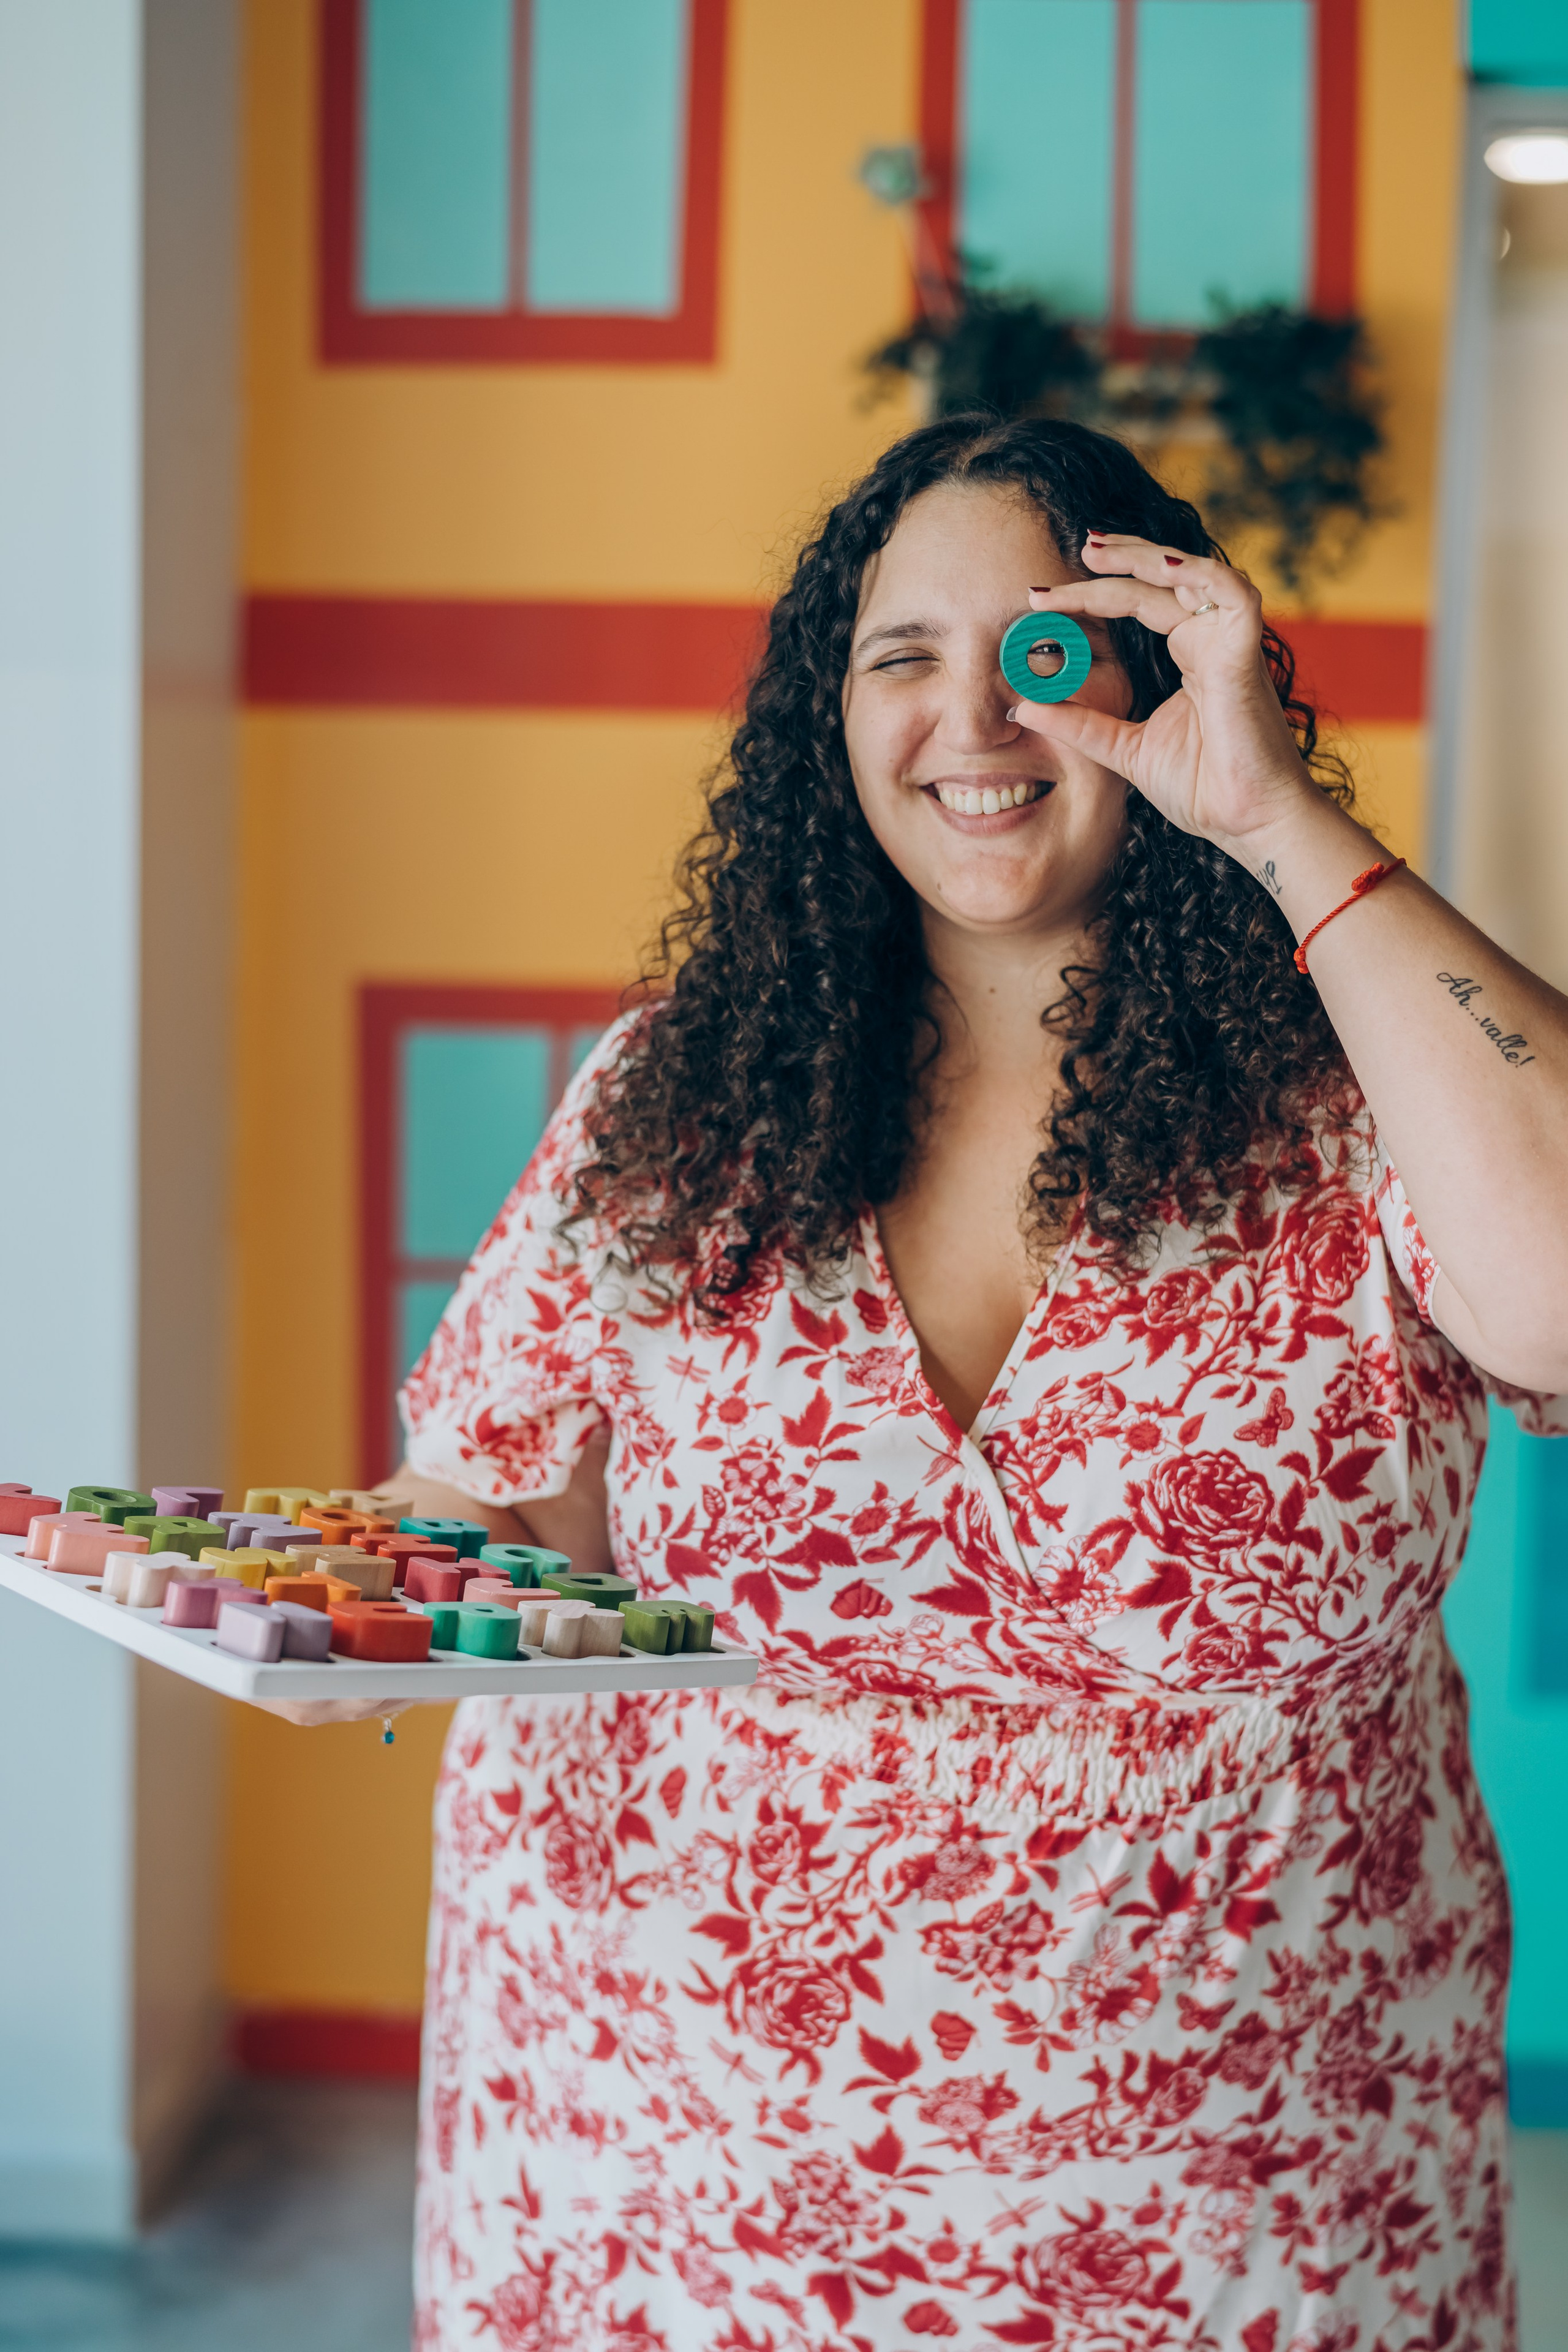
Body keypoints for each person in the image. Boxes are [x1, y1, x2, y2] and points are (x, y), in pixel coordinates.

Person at [282, 415, 1568, 2348]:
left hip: (1241, 2190)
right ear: (836, 711)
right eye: (906, 659)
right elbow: (509, 1496)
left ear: (1160, 677)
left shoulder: (1361, 1105)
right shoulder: (676, 1097)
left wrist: (1277, 813)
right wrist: (358, 1603)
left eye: (1049, 652)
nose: (975, 720)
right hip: (677, 2158)